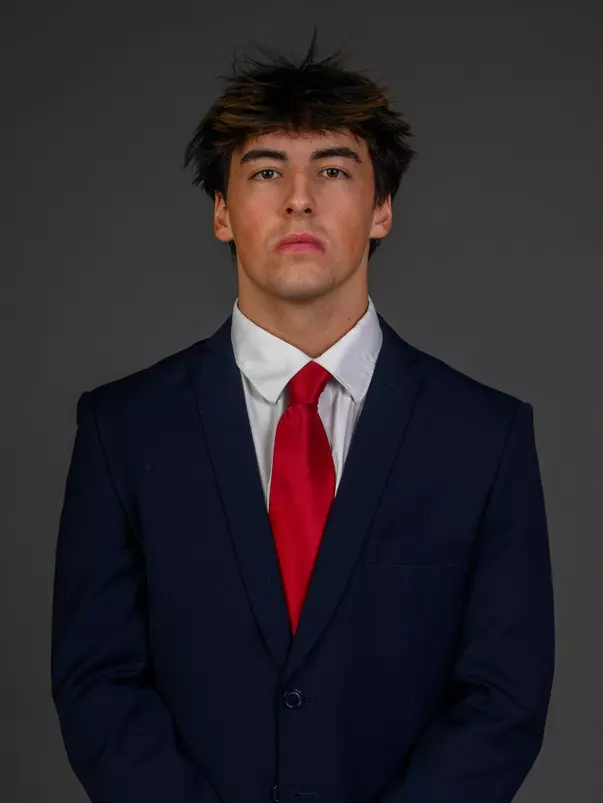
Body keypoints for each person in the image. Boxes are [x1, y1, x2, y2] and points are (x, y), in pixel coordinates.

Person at [51, 31, 555, 803]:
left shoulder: (483, 437)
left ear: (381, 208)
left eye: (332, 169)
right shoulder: (124, 430)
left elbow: (503, 696)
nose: (298, 197)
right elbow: (96, 681)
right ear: (222, 211)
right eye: (263, 170)